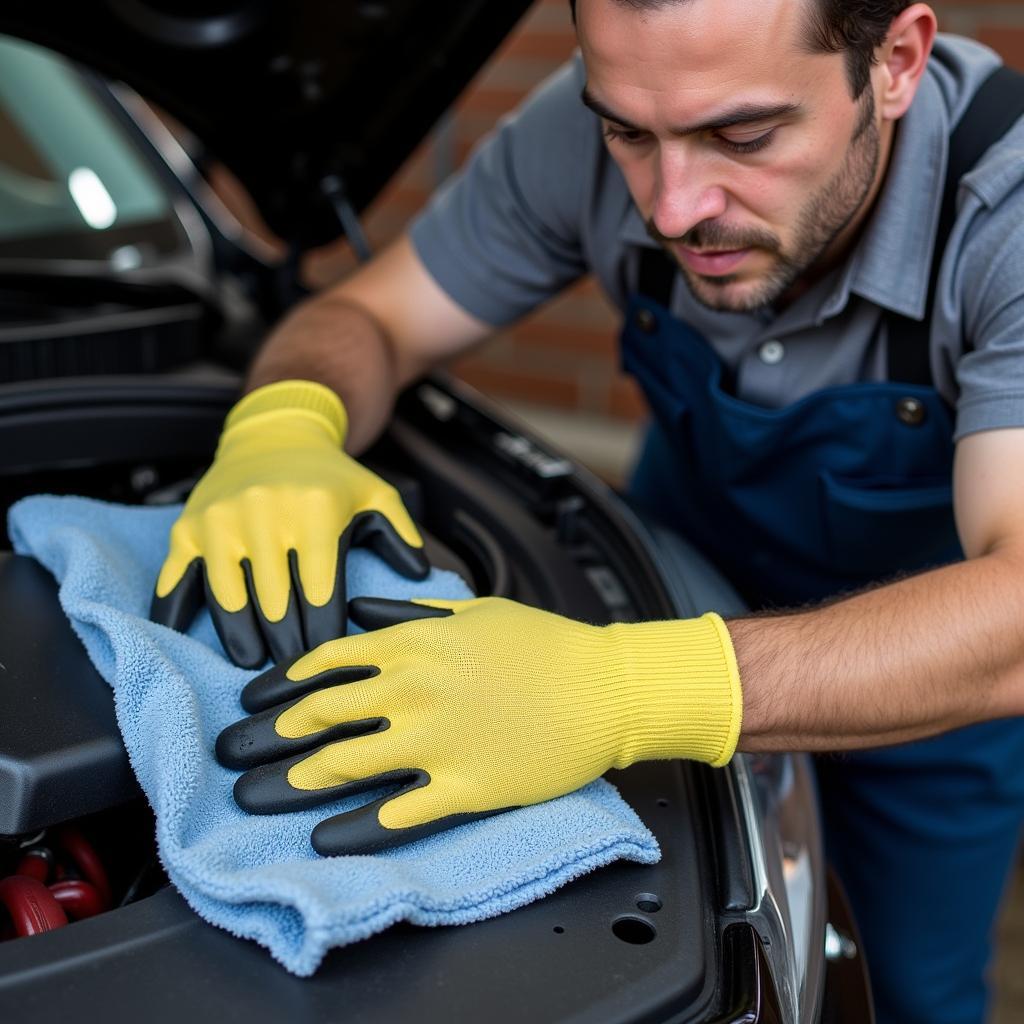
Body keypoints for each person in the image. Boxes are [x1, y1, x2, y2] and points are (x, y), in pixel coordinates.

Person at [152, 2, 1024, 1021]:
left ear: (894, 63)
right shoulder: (578, 135)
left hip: (925, 684)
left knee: (906, 989)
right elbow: (367, 317)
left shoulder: (1003, 211)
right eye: (628, 134)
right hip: (671, 580)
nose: (670, 206)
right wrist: (286, 425)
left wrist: (617, 688)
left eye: (742, 136)